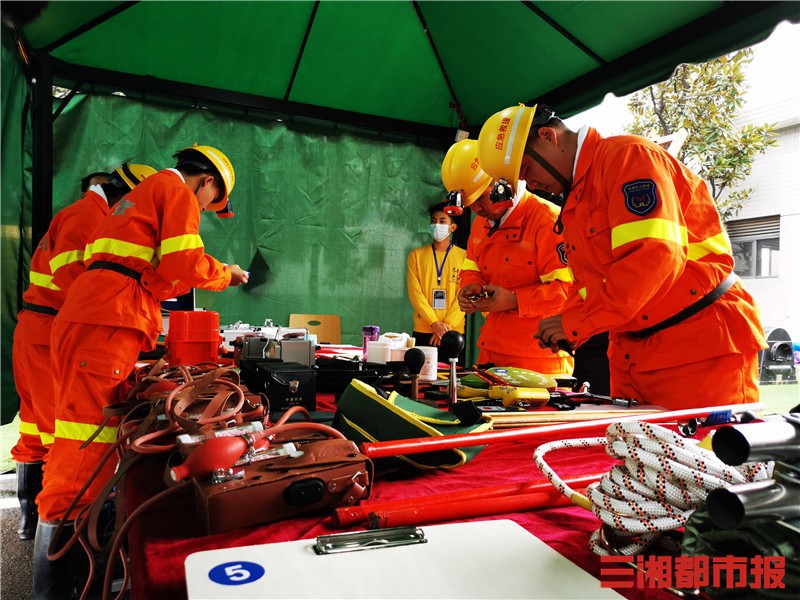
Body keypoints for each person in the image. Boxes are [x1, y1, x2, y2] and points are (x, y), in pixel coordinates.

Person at [34, 145, 249, 598]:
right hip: (106, 323)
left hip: (95, 318)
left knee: (80, 437)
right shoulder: (176, 190)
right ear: (208, 182)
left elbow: (159, 272)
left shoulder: (142, 196)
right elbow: (183, 264)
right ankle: (61, 585)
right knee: (84, 446)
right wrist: (225, 274)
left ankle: (74, 563)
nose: (206, 209)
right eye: (213, 202)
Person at [477, 103, 765, 408]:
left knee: (703, 453)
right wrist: (565, 321)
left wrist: (577, 322)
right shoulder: (578, 197)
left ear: (548, 137)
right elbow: (589, 282)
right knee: (634, 453)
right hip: (635, 353)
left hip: (700, 350)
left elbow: (655, 256)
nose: (529, 184)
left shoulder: (628, 158)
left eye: (526, 169)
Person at [10, 165, 155, 542]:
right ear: (127, 197)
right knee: (71, 439)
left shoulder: (84, 215)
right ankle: (57, 534)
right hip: (53, 334)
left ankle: (30, 522)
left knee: (36, 431)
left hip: (40, 332)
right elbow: (81, 284)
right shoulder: (88, 218)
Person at [442, 139, 574, 375]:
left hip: (539, 359)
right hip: (491, 351)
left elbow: (568, 291)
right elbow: (471, 266)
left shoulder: (547, 221)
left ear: (502, 181)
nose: (478, 209)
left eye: (482, 197)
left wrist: (514, 300)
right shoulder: (482, 223)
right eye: (471, 203)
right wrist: (470, 287)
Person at [406, 201, 466, 362]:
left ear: (453, 227)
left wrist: (445, 327)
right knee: (422, 379)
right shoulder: (416, 255)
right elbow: (415, 293)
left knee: (450, 378)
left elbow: (464, 295)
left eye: (442, 221)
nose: (437, 225)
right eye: (433, 221)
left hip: (454, 333)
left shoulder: (465, 257)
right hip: (424, 329)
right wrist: (434, 323)